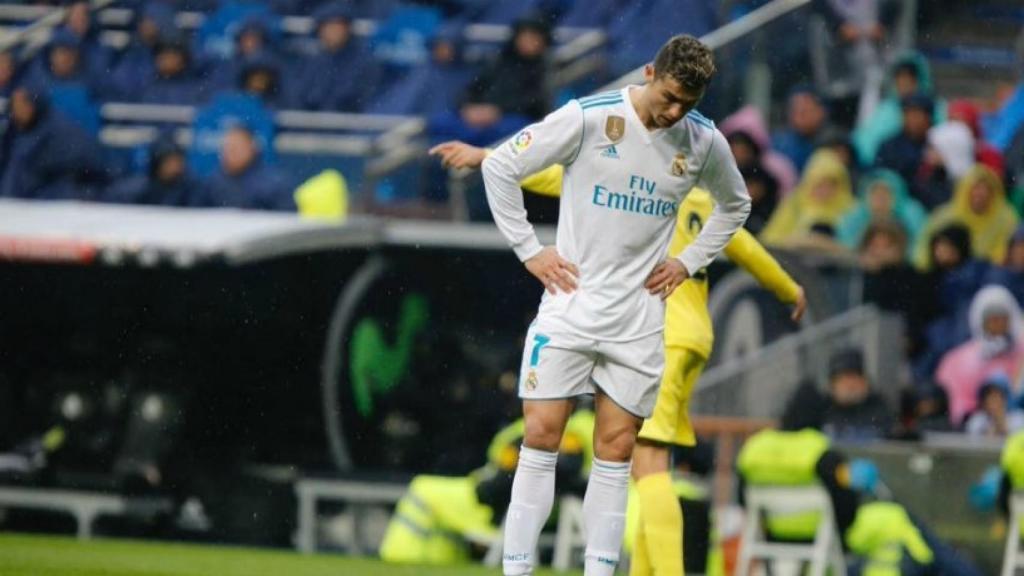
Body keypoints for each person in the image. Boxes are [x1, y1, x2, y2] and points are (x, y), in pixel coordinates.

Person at [432, 140, 805, 575]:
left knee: (649, 466)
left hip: (659, 330)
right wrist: (789, 289)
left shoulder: (639, 187)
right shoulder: (702, 201)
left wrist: (487, 157)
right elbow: (749, 250)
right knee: (651, 466)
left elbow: (558, 176)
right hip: (696, 334)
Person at [479, 35, 751, 576]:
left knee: (618, 448)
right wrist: (530, 250)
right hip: (570, 305)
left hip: (638, 319)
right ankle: (517, 569)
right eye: (669, 97)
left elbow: (735, 205)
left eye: (688, 103)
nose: (674, 112)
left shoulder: (703, 141)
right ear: (649, 72)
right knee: (541, 435)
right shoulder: (588, 118)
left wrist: (688, 261)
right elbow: (500, 166)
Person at [380, 409, 595, 565]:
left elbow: (557, 470)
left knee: (422, 490)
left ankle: (397, 559)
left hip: (496, 503)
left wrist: (490, 491)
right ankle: (441, 562)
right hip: (510, 498)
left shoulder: (567, 426)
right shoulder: (572, 422)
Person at [0, 83, 106, 200]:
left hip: (57, 195)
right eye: (15, 104)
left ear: (34, 104)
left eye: (22, 103)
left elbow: (82, 162)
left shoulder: (58, 130)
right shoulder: (13, 131)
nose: (18, 109)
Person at [936, 285, 1024, 425]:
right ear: (980, 321)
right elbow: (955, 407)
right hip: (975, 426)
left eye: (1003, 318)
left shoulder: (1021, 353)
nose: (998, 324)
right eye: (992, 319)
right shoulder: (956, 361)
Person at [913, 165, 1018, 269]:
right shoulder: (944, 216)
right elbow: (923, 248)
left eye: (987, 189)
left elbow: (1008, 253)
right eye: (976, 188)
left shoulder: (1006, 219)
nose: (981, 194)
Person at [292, 2, 379, 112]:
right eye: (328, 27)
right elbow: (301, 96)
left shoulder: (364, 62)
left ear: (348, 29)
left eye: (338, 26)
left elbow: (359, 99)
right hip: (309, 120)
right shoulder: (310, 61)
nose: (334, 32)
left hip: (349, 120)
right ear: (319, 30)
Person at [760, 149, 855, 247]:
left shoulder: (849, 210)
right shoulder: (795, 204)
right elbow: (771, 238)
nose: (825, 191)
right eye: (820, 184)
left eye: (831, 185)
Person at [200, 125, 294, 211]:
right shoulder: (212, 183)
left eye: (236, 148)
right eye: (227, 148)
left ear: (252, 148)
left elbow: (286, 218)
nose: (231, 153)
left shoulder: (275, 184)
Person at [837, 169, 925, 256]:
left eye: (886, 194)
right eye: (875, 194)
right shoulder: (853, 219)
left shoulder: (910, 217)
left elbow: (917, 249)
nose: (880, 200)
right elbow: (846, 248)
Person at [104, 133, 201, 207]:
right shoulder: (136, 190)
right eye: (169, 162)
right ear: (158, 163)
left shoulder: (190, 190)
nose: (175, 166)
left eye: (178, 161)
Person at [875, 93, 934, 205]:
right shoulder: (889, 146)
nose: (911, 119)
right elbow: (879, 178)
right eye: (907, 114)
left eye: (917, 114)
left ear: (928, 117)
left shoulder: (937, 143)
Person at [773, 87, 830, 172]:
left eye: (806, 110)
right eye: (795, 109)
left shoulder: (832, 142)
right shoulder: (779, 144)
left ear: (821, 112)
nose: (799, 115)